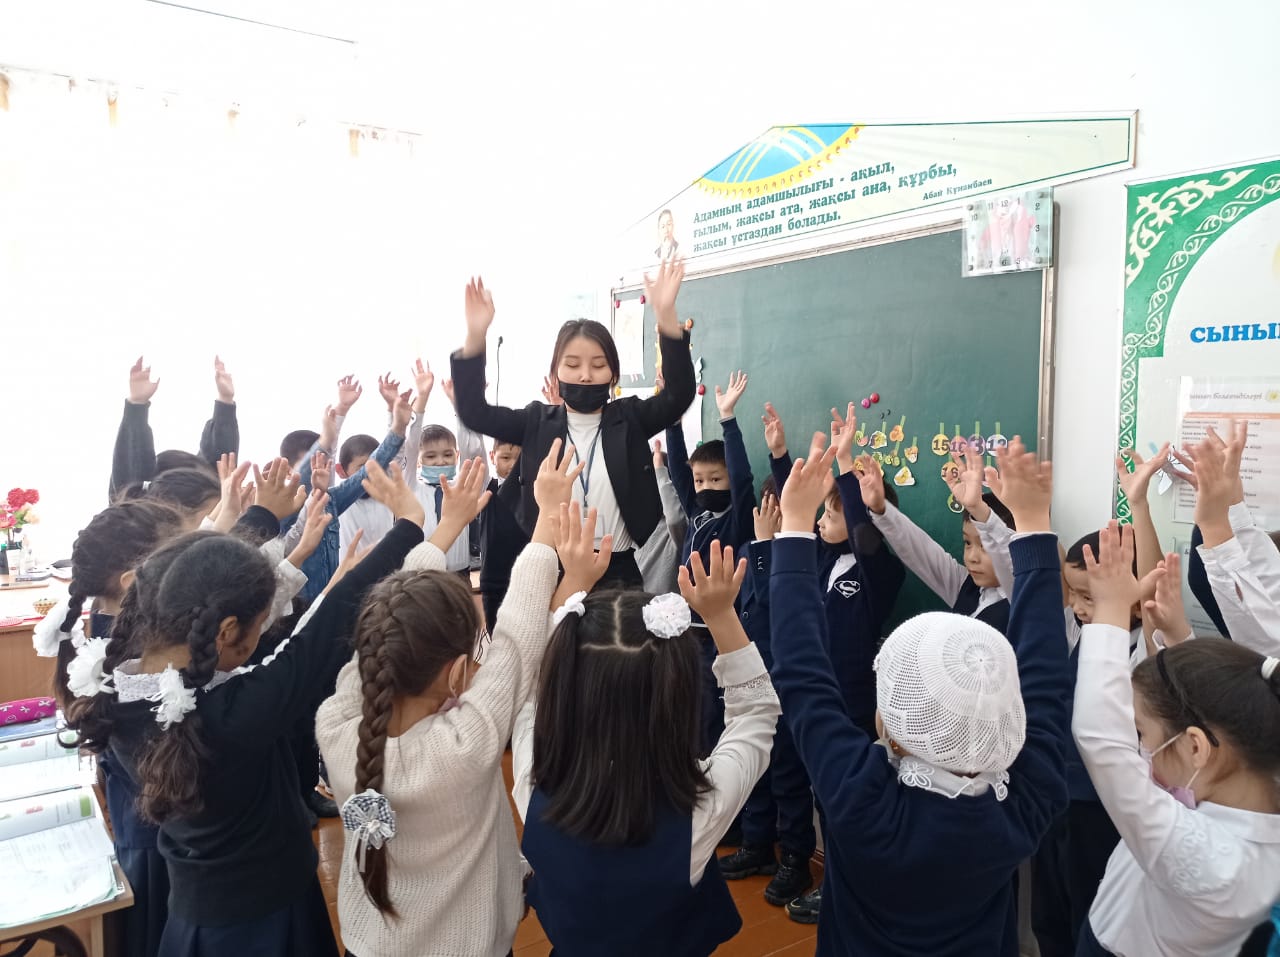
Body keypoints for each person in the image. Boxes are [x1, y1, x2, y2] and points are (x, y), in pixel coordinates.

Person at [62, 460, 429, 957]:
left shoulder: (116, 690)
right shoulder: (234, 713)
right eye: (261, 625)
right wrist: (409, 525)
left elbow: (198, 575)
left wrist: (260, 522)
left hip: (195, 919)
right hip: (267, 920)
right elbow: (321, 635)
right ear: (226, 632)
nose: (265, 634)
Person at [769, 432, 1069, 955]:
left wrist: (791, 526)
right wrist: (1035, 529)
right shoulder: (1024, 804)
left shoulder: (860, 797)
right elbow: (1047, 676)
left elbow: (802, 680)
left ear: (887, 723)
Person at [316, 442, 579, 957]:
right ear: (458, 670)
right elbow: (519, 635)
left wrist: (439, 529)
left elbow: (386, 629)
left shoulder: (336, 722)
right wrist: (547, 515)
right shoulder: (465, 743)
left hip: (367, 945)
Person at [516, 539, 780, 956]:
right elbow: (756, 715)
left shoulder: (532, 779)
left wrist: (572, 584)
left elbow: (530, 693)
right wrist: (721, 616)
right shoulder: (700, 806)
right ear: (679, 695)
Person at [1073, 521, 1280, 957]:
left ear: (1196, 748)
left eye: (1142, 735)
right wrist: (1176, 637)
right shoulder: (1239, 789)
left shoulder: (1214, 859)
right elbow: (1203, 704)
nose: (1141, 750)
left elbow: (1102, 740)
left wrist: (1111, 610)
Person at [450, 261, 695, 589]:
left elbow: (678, 396)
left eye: (598, 365)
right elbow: (474, 412)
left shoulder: (629, 418)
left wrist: (665, 316)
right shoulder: (536, 421)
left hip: (618, 570)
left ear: (613, 374)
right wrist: (475, 335)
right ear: (555, 372)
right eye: (573, 364)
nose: (585, 375)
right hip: (552, 569)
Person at [666, 371, 757, 756]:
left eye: (715, 480)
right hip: (688, 631)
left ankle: (718, 766)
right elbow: (678, 470)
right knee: (691, 707)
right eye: (700, 481)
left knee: (717, 712)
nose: (705, 488)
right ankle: (695, 761)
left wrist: (727, 419)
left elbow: (742, 476)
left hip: (720, 631)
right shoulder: (697, 513)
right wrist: (671, 419)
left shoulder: (737, 519)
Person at [110, 356, 239, 501]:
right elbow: (129, 494)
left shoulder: (212, 504)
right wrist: (136, 407)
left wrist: (225, 402)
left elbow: (217, 474)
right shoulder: (138, 514)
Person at [478, 439, 528, 635]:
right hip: (494, 581)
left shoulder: (534, 491)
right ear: (492, 457)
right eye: (505, 458)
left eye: (519, 459)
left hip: (526, 580)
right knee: (497, 636)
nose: (513, 465)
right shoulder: (486, 488)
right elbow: (472, 449)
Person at [635, 437, 687, 595]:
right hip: (634, 603)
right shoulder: (637, 524)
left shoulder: (678, 525)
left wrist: (659, 470)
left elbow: (674, 518)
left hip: (664, 607)